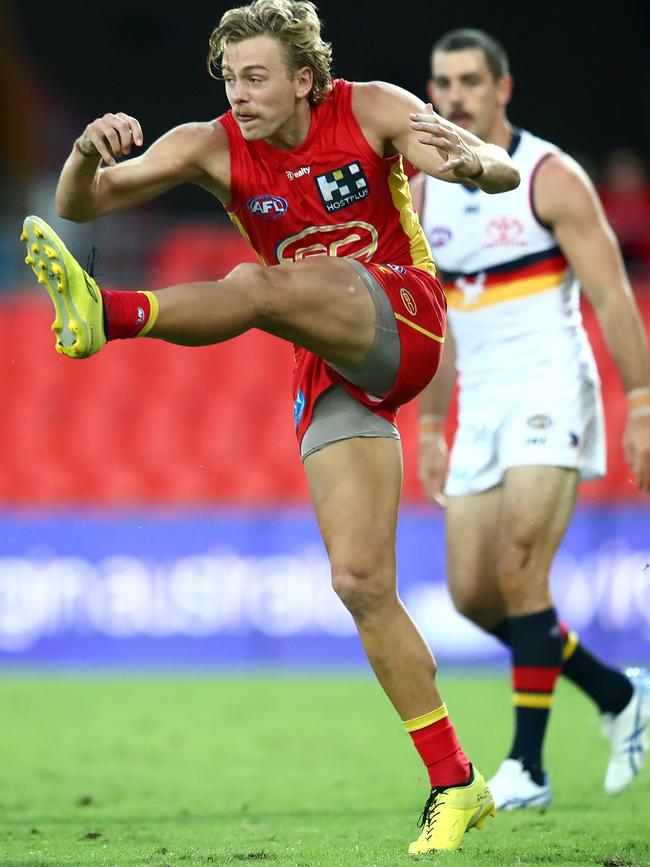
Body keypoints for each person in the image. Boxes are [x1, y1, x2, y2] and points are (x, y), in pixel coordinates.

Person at [20, 1, 520, 855]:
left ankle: (111, 311)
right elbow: (88, 204)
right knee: (360, 581)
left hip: (405, 316)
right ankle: (455, 781)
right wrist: (79, 153)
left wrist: (478, 165)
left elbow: (495, 166)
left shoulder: (368, 108)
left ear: (303, 79)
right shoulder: (213, 144)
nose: (239, 94)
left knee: (256, 285)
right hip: (328, 360)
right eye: (229, 78)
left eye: (256, 78)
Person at [411, 28, 650, 811]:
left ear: (502, 88)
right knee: (475, 593)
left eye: (470, 81)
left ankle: (527, 767)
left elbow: (614, 298)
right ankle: (617, 691)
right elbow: (432, 319)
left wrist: (641, 403)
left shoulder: (550, 176)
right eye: (443, 84)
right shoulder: (422, 188)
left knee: (521, 567)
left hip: (550, 383)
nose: (455, 97)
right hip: (480, 398)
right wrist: (433, 424)